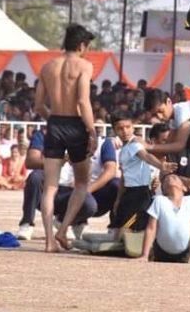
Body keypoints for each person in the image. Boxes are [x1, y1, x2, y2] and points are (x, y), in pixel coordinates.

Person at [36, 24, 100, 252]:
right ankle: (63, 230)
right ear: (82, 45)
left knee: (50, 187)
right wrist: (92, 131)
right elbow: (83, 101)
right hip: (75, 125)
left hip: (55, 123)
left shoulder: (47, 66)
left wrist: (53, 120)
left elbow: (38, 105)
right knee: (82, 182)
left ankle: (48, 241)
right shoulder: (84, 65)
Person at [109, 113, 176, 235]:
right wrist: (118, 199)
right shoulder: (124, 149)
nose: (125, 131)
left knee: (125, 231)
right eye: (120, 128)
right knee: (117, 231)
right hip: (128, 194)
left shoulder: (135, 144)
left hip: (140, 195)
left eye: (128, 127)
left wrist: (162, 166)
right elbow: (124, 177)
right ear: (114, 130)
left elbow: (146, 156)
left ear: (133, 127)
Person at [135, 173, 190, 264]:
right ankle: (150, 254)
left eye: (175, 178)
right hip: (161, 251)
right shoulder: (159, 200)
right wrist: (144, 255)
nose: (171, 179)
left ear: (184, 188)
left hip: (184, 253)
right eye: (167, 180)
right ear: (163, 190)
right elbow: (151, 229)